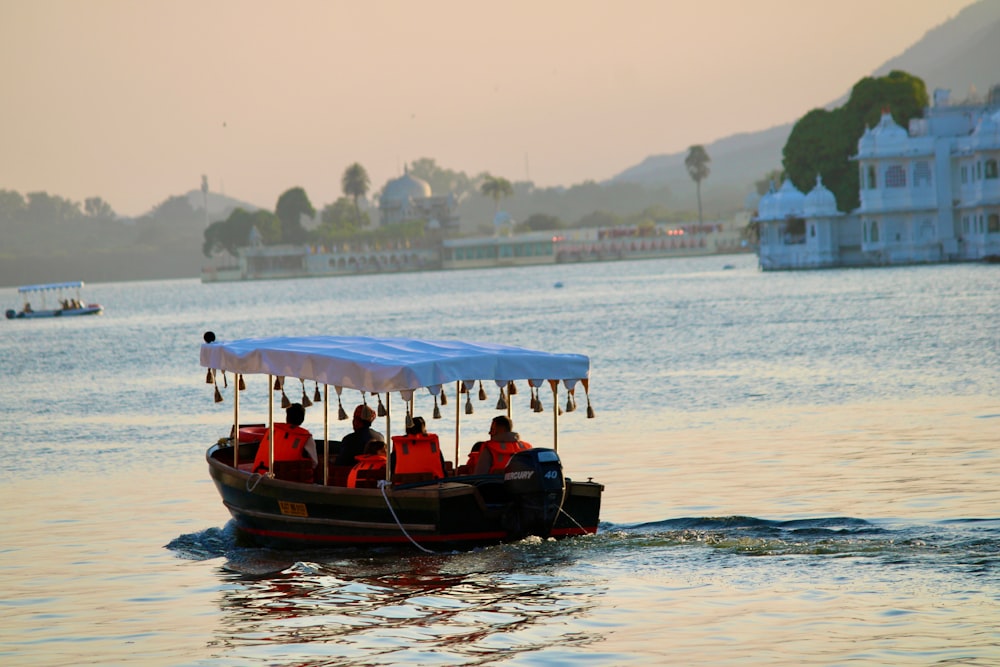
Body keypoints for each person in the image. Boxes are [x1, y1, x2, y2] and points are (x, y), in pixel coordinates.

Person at [251, 402, 318, 475]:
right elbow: (314, 463)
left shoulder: (272, 430)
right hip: (290, 478)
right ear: (302, 419)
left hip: (261, 472)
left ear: (287, 417)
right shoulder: (305, 437)